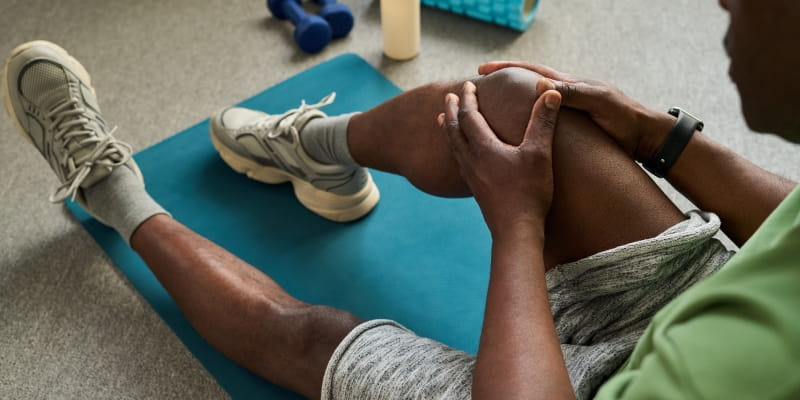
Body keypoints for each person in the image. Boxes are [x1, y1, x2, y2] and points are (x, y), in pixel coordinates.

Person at [3, 0, 798, 398]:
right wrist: (664, 135)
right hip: (701, 305)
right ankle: (313, 151)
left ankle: (111, 192)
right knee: (517, 100)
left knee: (316, 336)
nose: (724, 2)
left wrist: (516, 224)